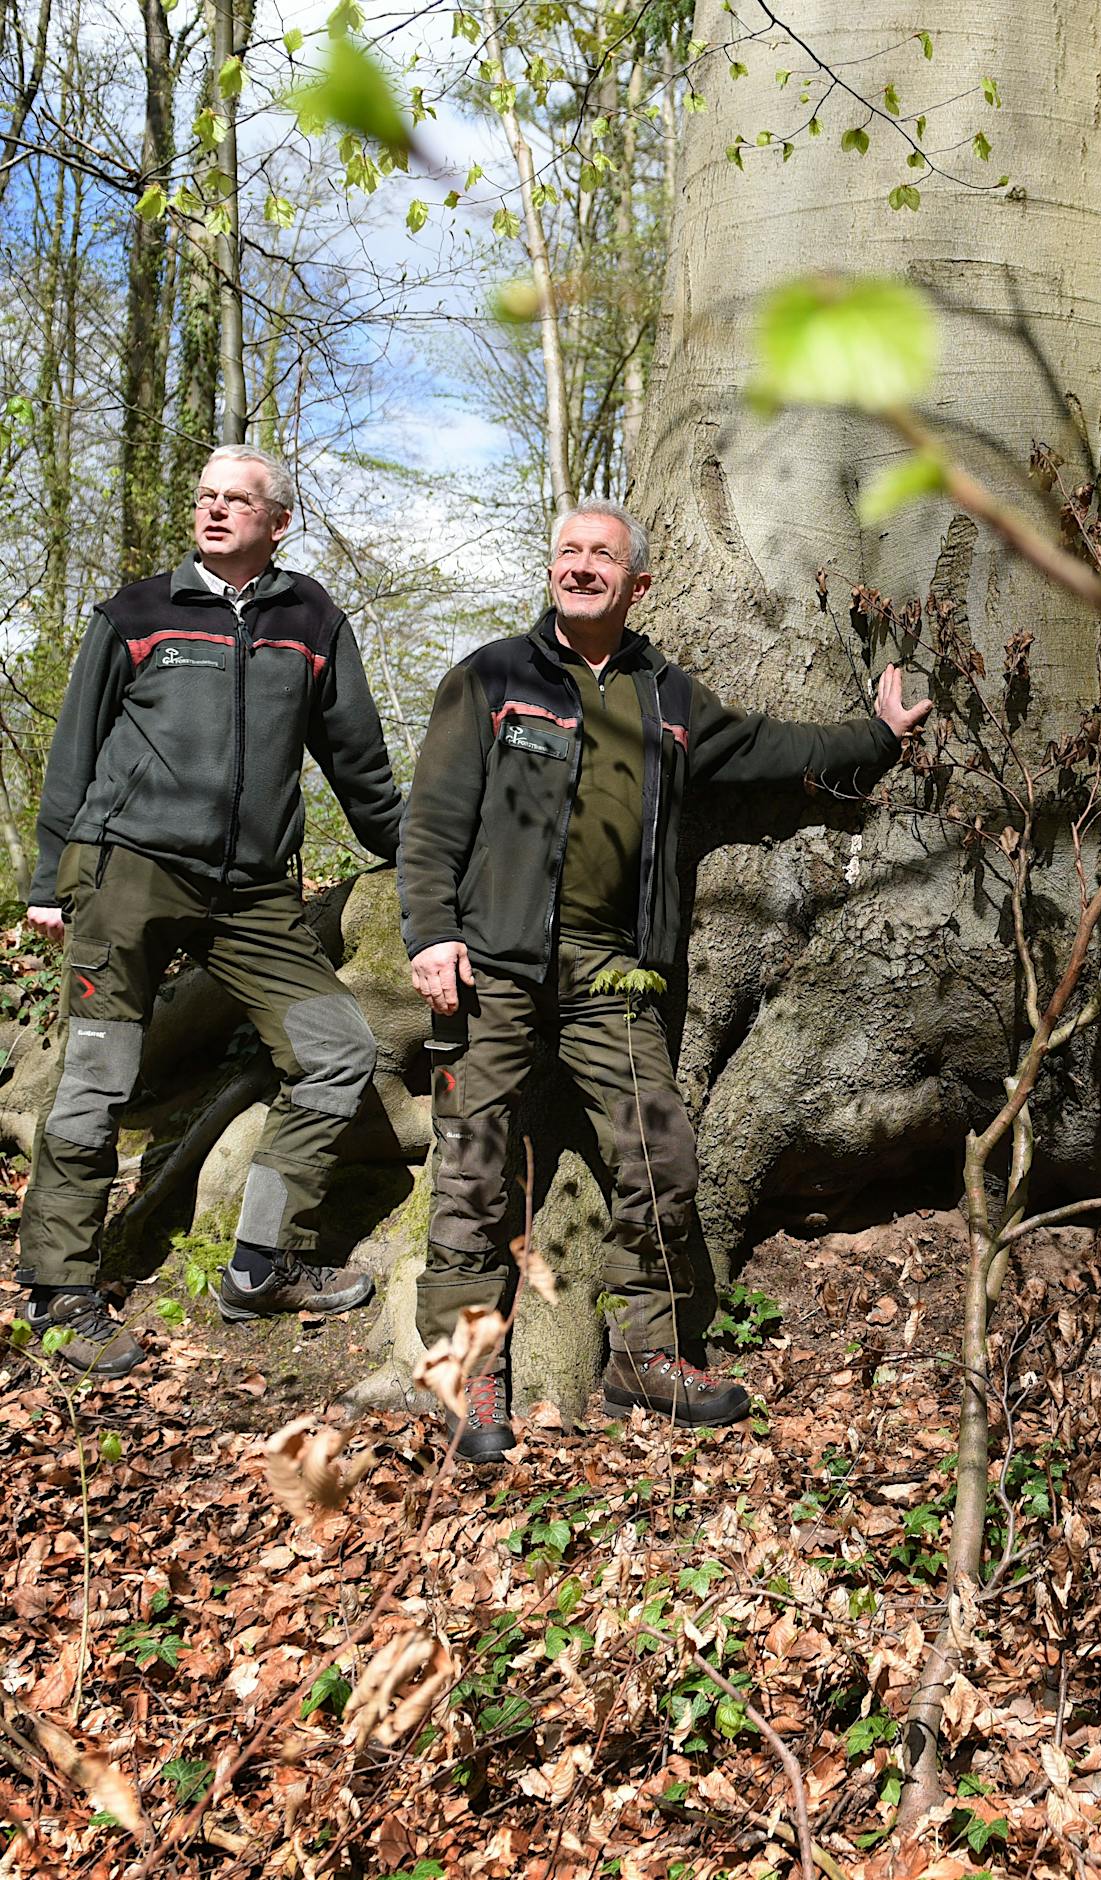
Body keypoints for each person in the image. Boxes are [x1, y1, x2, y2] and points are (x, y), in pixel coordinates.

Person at [398, 498, 929, 1460]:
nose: (582, 566)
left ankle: (644, 1359)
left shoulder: (666, 697)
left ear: (638, 581)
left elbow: (776, 748)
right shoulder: (491, 678)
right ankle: (464, 1382)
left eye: (603, 555)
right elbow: (432, 818)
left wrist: (879, 736)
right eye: (568, 551)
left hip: (614, 972)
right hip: (494, 963)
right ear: (550, 569)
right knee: (472, 1170)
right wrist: (431, 933)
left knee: (660, 1157)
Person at [17, 444, 403, 1377]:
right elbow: (75, 749)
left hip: (256, 895)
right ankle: (62, 1286)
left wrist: (421, 862)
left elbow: (356, 760)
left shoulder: (312, 618)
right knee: (99, 1077)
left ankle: (261, 1264)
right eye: (206, 497)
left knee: (336, 1050)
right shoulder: (138, 612)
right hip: (127, 876)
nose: (216, 511)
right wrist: (46, 880)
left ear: (280, 521)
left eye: (239, 500)